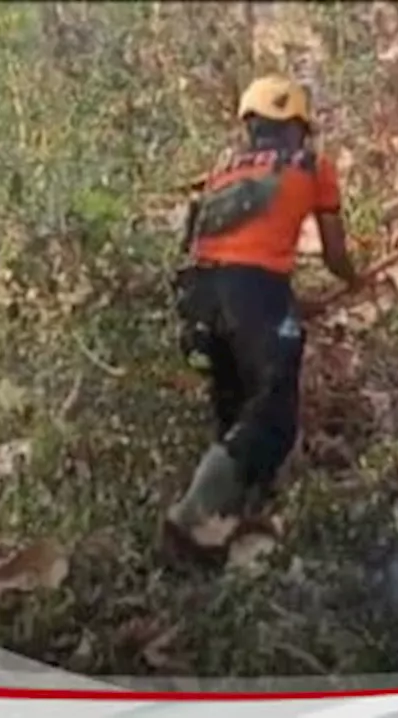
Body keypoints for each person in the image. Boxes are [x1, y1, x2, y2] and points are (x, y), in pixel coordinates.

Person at [162, 74, 360, 561]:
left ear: (249, 126)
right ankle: (191, 518)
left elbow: (206, 248)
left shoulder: (219, 172)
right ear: (297, 127)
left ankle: (226, 526)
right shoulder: (313, 165)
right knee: (272, 417)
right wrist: (354, 280)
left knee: (234, 412)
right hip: (253, 292)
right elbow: (333, 254)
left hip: (195, 298)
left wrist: (281, 300)